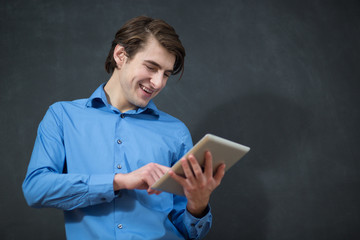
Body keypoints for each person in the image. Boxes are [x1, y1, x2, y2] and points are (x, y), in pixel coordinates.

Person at [22, 16, 225, 240]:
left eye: (166, 74)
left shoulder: (176, 132)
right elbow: (36, 189)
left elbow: (189, 231)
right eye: (151, 67)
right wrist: (119, 181)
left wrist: (198, 204)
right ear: (120, 55)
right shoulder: (62, 116)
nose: (158, 83)